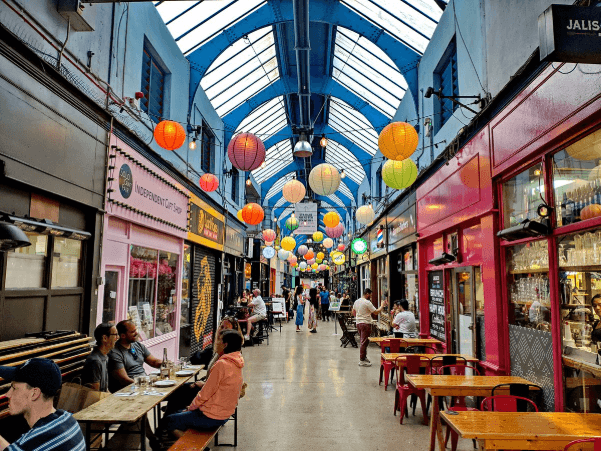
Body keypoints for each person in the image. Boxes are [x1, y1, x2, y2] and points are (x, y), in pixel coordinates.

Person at [164, 330, 244, 439]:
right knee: (178, 412)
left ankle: (190, 447)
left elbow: (205, 393)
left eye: (219, 340)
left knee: (169, 421)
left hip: (212, 416)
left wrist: (191, 408)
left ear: (225, 344)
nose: (216, 342)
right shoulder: (237, 362)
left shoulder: (221, 364)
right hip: (224, 414)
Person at [0, 358, 86, 451]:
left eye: (14, 388)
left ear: (34, 394)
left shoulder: (38, 439)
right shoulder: (69, 420)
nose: (7, 394)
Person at [109, 320, 163, 390]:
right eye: (132, 332)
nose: (136, 333)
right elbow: (124, 379)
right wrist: (145, 384)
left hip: (143, 383)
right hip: (129, 389)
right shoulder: (115, 353)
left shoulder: (137, 345)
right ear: (123, 335)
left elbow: (153, 361)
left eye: (136, 330)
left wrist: (165, 364)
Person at [352, 288, 388, 366]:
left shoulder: (356, 301)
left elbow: (353, 312)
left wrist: (359, 317)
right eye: (370, 295)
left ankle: (364, 357)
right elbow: (376, 312)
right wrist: (382, 306)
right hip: (365, 323)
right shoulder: (367, 302)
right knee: (364, 342)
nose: (371, 297)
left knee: (364, 341)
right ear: (367, 294)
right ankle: (362, 360)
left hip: (358, 323)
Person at [82, 322, 119, 392]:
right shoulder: (95, 361)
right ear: (105, 338)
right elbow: (95, 394)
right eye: (115, 335)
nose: (118, 337)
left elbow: (105, 389)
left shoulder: (104, 356)